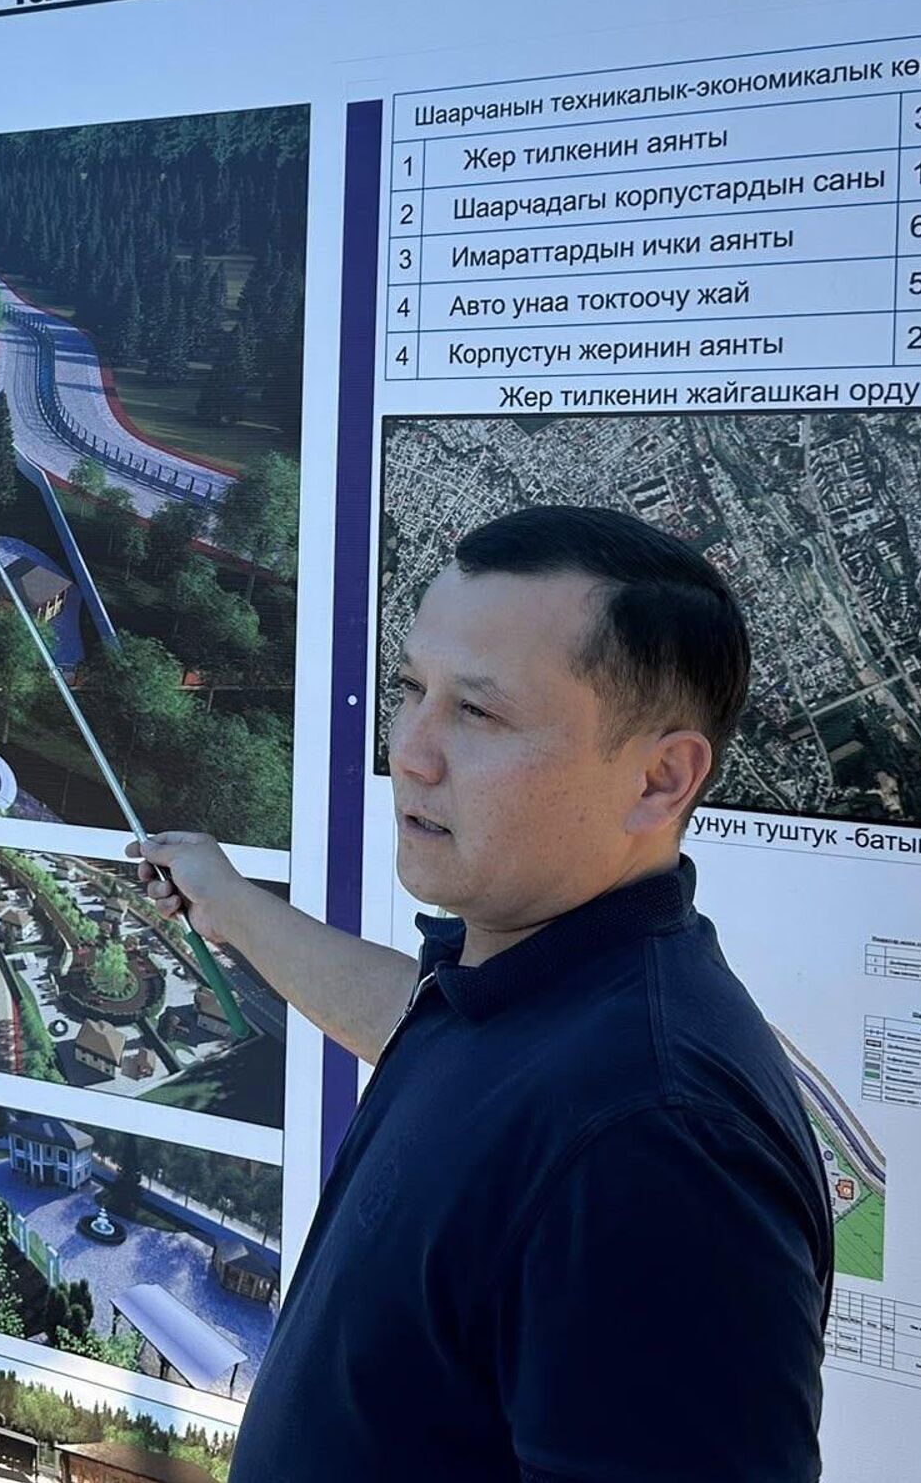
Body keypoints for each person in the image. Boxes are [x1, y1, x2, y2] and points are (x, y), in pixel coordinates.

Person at [132, 505, 832, 1481]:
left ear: (659, 778)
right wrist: (235, 910)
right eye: (412, 689)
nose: (411, 753)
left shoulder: (656, 1146)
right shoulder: (527, 996)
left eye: (479, 713)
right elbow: (426, 1028)